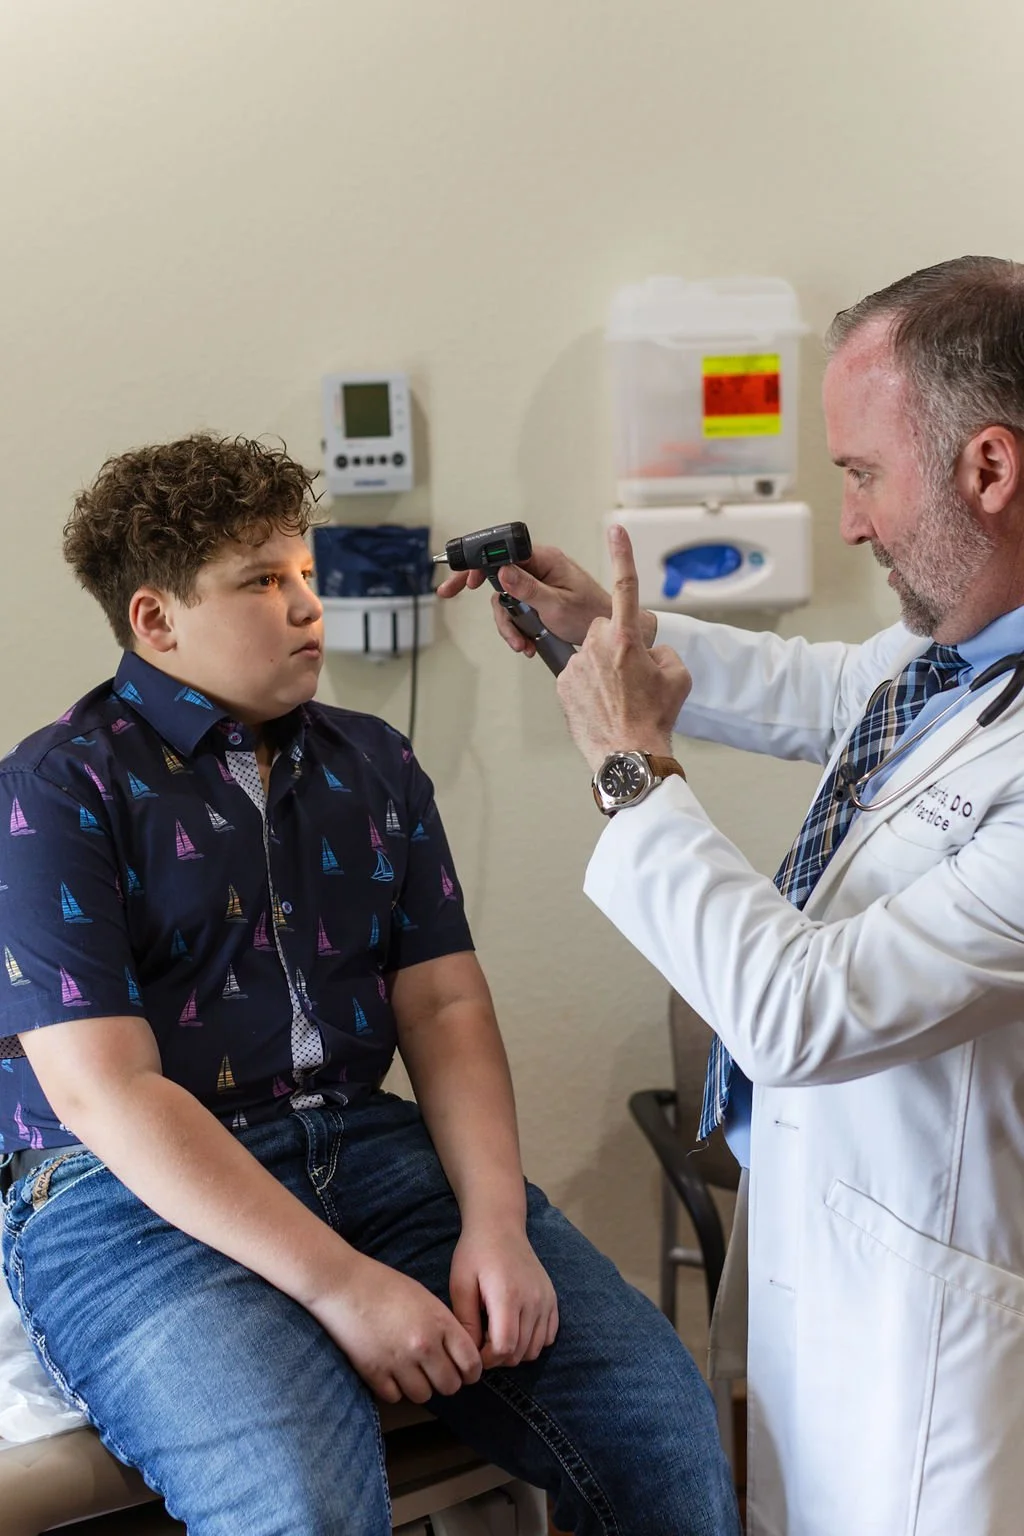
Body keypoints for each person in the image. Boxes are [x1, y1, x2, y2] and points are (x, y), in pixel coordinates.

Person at [0, 434, 740, 1536]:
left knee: (660, 1429)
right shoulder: (56, 789)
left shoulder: (373, 764)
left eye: (306, 573)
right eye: (262, 582)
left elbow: (444, 1006)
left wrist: (497, 1225)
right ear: (155, 620)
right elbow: (109, 1094)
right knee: (300, 1502)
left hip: (367, 1152)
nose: (310, 607)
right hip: (129, 1192)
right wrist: (342, 1286)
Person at [439, 255, 1024, 1536]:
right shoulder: (959, 653)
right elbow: (834, 691)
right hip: (838, 1256)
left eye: (864, 475)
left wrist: (630, 769)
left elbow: (799, 1013)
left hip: (942, 1339)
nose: (850, 523)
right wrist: (610, 636)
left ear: (989, 469)